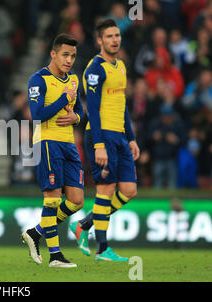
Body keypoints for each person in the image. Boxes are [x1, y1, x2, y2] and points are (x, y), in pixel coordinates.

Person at [70, 19, 140, 261]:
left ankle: (84, 224)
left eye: (117, 35)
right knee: (106, 189)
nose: (115, 40)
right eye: (109, 36)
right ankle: (102, 249)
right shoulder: (95, 69)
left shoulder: (120, 66)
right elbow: (94, 110)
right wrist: (99, 144)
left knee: (129, 190)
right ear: (100, 40)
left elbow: (123, 106)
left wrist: (131, 138)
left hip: (120, 136)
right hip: (101, 135)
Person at [21, 33, 85, 268]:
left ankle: (36, 232)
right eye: (65, 55)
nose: (69, 60)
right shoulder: (38, 80)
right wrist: (61, 100)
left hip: (69, 144)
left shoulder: (74, 80)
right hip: (47, 142)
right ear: (54, 54)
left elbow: (80, 111)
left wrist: (76, 117)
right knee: (53, 199)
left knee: (77, 200)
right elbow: (37, 116)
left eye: (73, 56)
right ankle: (55, 256)